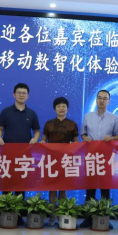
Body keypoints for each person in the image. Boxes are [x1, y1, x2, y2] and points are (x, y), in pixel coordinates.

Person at [0, 83, 40, 226]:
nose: (21, 95)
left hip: (24, 155)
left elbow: (37, 131)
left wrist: (35, 139)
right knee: (7, 182)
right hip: (8, 154)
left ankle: (19, 214)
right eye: (19, 92)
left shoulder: (32, 113)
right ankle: (6, 212)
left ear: (28, 96)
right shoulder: (6, 112)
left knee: (21, 184)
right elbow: (0, 128)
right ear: (14, 94)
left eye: (24, 93)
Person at [79, 89, 118, 229]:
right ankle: (88, 218)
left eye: (105, 98)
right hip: (91, 156)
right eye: (99, 98)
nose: (102, 101)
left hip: (106, 157)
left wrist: (112, 138)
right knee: (90, 188)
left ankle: (105, 218)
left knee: (105, 188)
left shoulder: (114, 118)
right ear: (96, 100)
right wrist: (85, 138)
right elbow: (83, 133)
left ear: (109, 101)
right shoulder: (88, 116)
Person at [42, 97, 79, 226]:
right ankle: (52, 217)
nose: (61, 108)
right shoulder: (49, 124)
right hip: (52, 159)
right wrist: (42, 142)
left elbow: (76, 140)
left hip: (66, 159)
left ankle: (61, 215)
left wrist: (75, 144)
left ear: (67, 108)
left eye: (63, 106)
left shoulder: (72, 124)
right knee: (52, 188)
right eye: (58, 106)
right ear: (55, 109)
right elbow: (44, 138)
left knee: (63, 188)